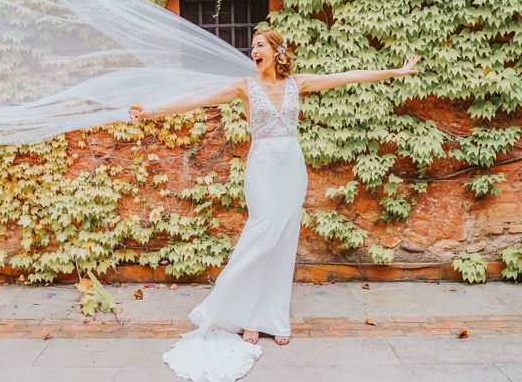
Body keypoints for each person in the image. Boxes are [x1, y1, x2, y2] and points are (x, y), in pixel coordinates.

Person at [129, 28, 421, 382]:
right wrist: (151, 110)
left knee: (283, 243)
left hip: (292, 169)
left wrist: (394, 72)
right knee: (261, 236)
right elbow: (199, 98)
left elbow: (344, 78)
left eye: (260, 45)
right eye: (252, 46)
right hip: (262, 169)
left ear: (277, 51)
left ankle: (272, 319)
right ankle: (239, 314)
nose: (254, 50)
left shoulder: (299, 83)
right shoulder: (244, 86)